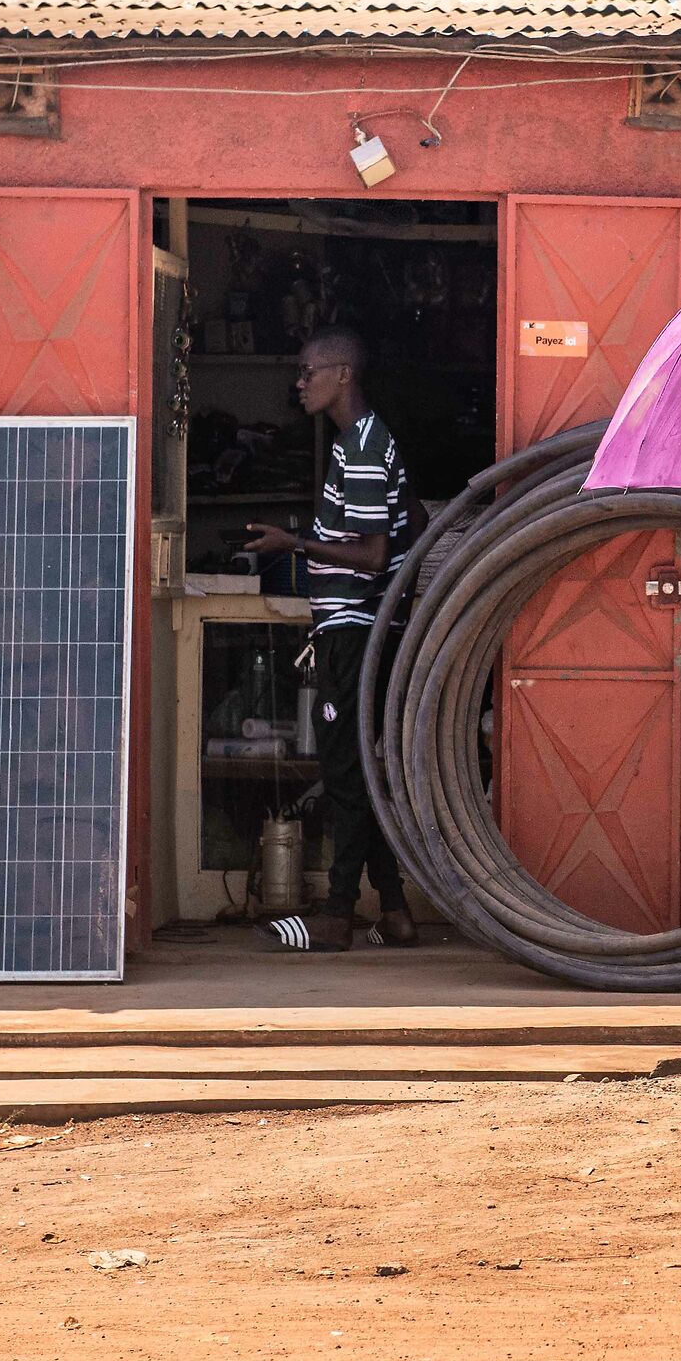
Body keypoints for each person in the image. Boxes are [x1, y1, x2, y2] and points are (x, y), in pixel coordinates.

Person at [244, 326, 419, 953]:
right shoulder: (357, 445)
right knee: (357, 771)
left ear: (342, 374)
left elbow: (372, 556)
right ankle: (394, 910)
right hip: (354, 630)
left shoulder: (365, 448)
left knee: (345, 774)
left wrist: (293, 544)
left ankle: (339, 915)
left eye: (307, 371)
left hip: (357, 632)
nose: (299, 382)